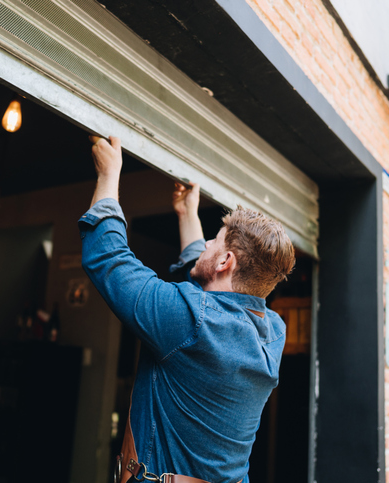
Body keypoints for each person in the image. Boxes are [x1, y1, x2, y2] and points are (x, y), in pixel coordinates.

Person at [79, 136, 295, 483]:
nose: (206, 243)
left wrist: (109, 174)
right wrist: (187, 214)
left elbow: (109, 260)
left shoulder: (192, 321)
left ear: (226, 260)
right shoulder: (273, 331)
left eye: (215, 240)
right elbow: (209, 293)